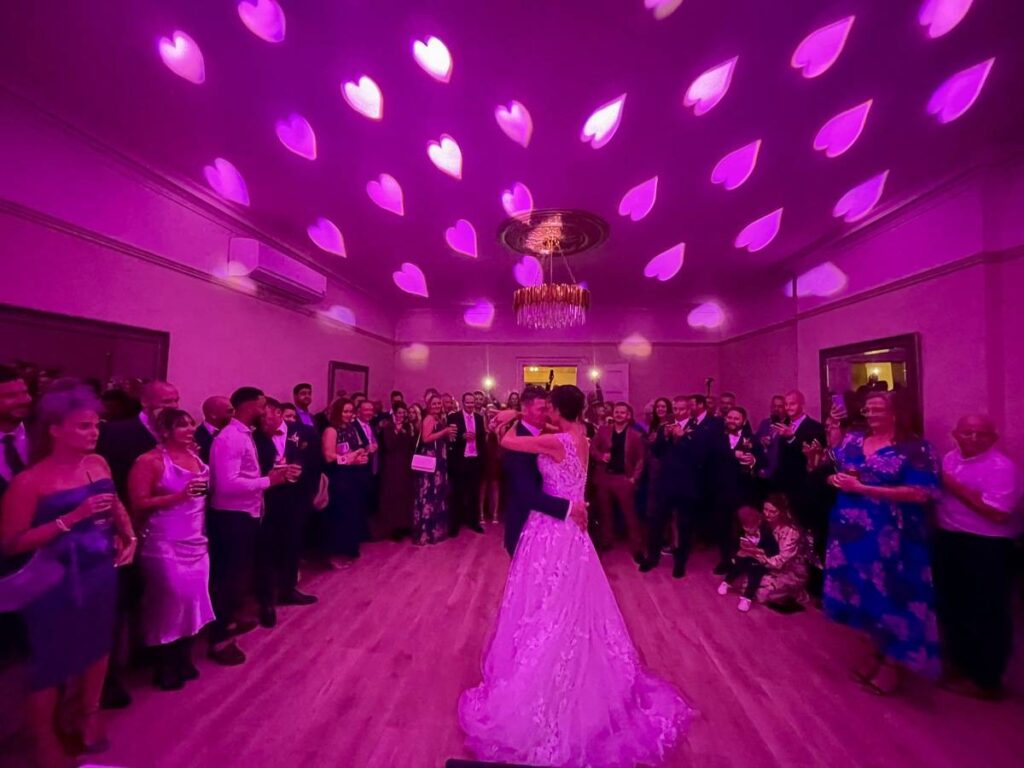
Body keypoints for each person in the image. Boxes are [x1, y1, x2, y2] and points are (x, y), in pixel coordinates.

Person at [459, 385, 693, 765]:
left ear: (557, 409)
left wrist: (510, 417)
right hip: (571, 531)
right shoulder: (581, 436)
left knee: (550, 602)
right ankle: (575, 662)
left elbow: (507, 445)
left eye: (548, 406)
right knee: (569, 600)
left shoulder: (555, 442)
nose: (544, 410)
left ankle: (549, 678)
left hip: (552, 531)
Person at [0, 382, 136, 766]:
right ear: (56, 429)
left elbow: (114, 501)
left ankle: (86, 715)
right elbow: (11, 543)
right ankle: (44, 741)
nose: (93, 433)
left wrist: (128, 534)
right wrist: (71, 518)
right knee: (50, 662)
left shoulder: (98, 464)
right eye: (82, 426)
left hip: (100, 573)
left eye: (95, 426)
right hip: (54, 582)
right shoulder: (31, 481)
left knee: (98, 647)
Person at [823, 392, 941, 695]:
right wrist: (836, 480)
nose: (871, 414)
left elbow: (920, 493)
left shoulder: (916, 447)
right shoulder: (853, 440)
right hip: (850, 532)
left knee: (891, 596)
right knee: (861, 594)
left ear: (897, 412)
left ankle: (892, 665)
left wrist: (863, 487)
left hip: (890, 534)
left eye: (878, 409)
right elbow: (835, 468)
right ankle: (874, 652)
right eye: (868, 409)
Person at [934, 414, 1022, 700]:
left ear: (993, 438)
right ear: (955, 434)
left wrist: (953, 485)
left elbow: (998, 513)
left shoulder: (1002, 468)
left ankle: (987, 679)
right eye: (967, 432)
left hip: (988, 547)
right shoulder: (949, 458)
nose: (973, 438)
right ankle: (960, 665)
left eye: (980, 433)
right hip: (949, 539)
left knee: (987, 612)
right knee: (953, 606)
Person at [126, 408, 214, 690]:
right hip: (164, 540)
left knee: (192, 600)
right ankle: (163, 663)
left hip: (196, 539)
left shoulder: (195, 456)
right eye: (181, 427)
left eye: (190, 425)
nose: (189, 430)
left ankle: (182, 657)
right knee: (168, 599)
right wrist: (178, 496)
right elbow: (138, 502)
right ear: (164, 431)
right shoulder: (149, 461)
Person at [207, 387, 290, 665]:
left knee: (239, 577)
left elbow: (245, 475)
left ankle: (229, 621)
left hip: (247, 513)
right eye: (263, 406)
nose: (266, 411)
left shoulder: (245, 435)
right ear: (250, 405)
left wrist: (271, 475)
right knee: (227, 579)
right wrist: (268, 482)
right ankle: (220, 639)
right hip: (231, 517)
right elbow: (227, 484)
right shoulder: (230, 437)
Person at [641, 394, 722, 578]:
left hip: (687, 484)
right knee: (657, 521)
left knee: (685, 525)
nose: (678, 412)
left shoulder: (699, 429)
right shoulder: (665, 427)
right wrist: (665, 438)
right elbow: (657, 452)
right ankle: (652, 558)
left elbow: (700, 456)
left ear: (689, 409)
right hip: (666, 482)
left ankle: (680, 563)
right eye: (675, 409)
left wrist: (683, 438)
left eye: (682, 409)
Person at [498, 386, 584, 556]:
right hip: (526, 523)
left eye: (548, 408)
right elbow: (525, 493)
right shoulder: (526, 439)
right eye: (541, 409)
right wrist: (570, 508)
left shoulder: (554, 435)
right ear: (525, 409)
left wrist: (515, 415)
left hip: (555, 521)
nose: (546, 413)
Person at [253, 398, 314, 628]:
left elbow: (314, 463)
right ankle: (266, 600)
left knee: (292, 546)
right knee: (266, 551)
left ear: (278, 412)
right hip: (267, 500)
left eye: (265, 416)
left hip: (295, 499)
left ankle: (288, 589)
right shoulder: (255, 437)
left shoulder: (304, 432)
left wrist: (302, 475)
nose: (262, 421)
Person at [590, 401, 645, 559]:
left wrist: (634, 478)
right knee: (605, 512)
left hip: (623, 478)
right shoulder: (603, 431)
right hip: (604, 477)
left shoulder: (636, 435)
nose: (618, 414)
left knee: (630, 514)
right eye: (616, 411)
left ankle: (636, 546)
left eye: (622, 412)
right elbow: (592, 448)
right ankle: (607, 541)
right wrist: (601, 456)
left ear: (628, 416)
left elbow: (641, 459)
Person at [711, 406, 763, 573]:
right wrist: (733, 455)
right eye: (730, 417)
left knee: (744, 528)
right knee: (722, 526)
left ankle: (745, 561)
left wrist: (753, 460)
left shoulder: (752, 439)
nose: (732, 421)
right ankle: (726, 560)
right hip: (721, 489)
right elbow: (710, 456)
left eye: (736, 418)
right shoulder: (716, 437)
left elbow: (763, 460)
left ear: (744, 421)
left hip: (744, 490)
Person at [321, 398, 370, 564]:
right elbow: (328, 456)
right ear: (338, 412)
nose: (349, 415)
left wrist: (360, 455)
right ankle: (334, 554)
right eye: (345, 411)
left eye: (350, 411)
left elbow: (358, 447)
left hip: (352, 477)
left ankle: (349, 549)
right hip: (338, 477)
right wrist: (348, 459)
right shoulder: (331, 430)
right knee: (338, 515)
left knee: (351, 513)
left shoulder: (351, 428)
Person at [716, 505, 778, 612]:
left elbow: (773, 549)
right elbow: (734, 546)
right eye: (746, 527)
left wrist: (762, 552)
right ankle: (726, 582)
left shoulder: (766, 533)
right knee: (737, 567)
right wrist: (736, 555)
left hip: (758, 560)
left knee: (755, 576)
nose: (748, 530)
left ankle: (747, 598)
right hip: (744, 557)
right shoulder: (739, 532)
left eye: (751, 527)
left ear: (758, 523)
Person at [411, 395, 453, 545]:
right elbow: (426, 438)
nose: (436, 406)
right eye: (434, 404)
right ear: (429, 405)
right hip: (430, 460)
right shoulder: (428, 418)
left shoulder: (439, 419)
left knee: (437, 494)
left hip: (439, 459)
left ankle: (435, 530)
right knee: (429, 494)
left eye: (439, 404)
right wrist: (445, 431)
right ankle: (425, 532)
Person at [375, 402, 417, 540]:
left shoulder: (407, 426)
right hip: (392, 466)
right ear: (394, 413)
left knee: (405, 496)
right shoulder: (388, 427)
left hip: (405, 465)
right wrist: (397, 432)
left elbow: (412, 446)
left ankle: (405, 525)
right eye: (399, 413)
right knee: (393, 496)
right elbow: (389, 445)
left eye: (404, 413)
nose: (402, 416)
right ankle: (393, 528)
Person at [447, 392, 487, 536]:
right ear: (463, 403)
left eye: (472, 402)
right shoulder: (453, 417)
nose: (470, 405)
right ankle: (455, 526)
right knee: (457, 494)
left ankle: (474, 522)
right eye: (468, 402)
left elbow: (482, 439)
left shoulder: (479, 418)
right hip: (460, 461)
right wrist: (461, 437)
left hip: (475, 460)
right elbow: (449, 439)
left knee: (474, 494)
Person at [193, 395, 233, 465]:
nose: (234, 414)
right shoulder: (195, 437)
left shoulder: (236, 432)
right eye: (229, 411)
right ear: (213, 415)